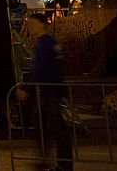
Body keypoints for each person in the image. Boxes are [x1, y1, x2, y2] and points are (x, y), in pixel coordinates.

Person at [23, 13, 73, 171]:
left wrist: (27, 89)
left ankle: (63, 164)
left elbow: (40, 69)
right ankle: (46, 159)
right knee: (42, 127)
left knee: (57, 129)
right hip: (49, 91)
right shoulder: (49, 43)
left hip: (49, 92)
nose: (30, 27)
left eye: (33, 24)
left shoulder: (44, 44)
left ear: (42, 24)